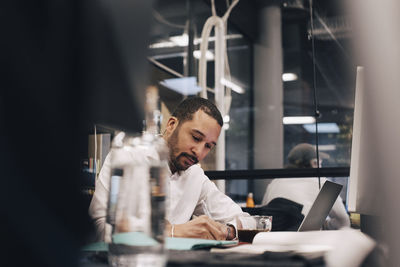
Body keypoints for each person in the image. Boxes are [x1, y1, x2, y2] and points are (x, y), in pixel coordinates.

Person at [89, 97, 254, 242]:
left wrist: (226, 231)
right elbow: (99, 227)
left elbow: (246, 221)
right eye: (196, 138)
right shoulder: (129, 155)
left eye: (208, 146)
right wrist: (172, 232)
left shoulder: (195, 175)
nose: (199, 151)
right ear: (172, 125)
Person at [262, 143, 350, 230]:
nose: (321, 167)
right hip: (307, 241)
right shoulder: (322, 182)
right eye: (319, 164)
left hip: (272, 240)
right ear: (313, 163)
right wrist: (326, 224)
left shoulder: (274, 182)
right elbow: (344, 222)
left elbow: (263, 216)